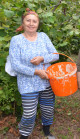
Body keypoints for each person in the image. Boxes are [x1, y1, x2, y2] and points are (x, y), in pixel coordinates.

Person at [9, 8, 59, 139]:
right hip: (27, 84)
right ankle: (24, 135)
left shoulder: (43, 37)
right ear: (23, 23)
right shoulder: (16, 40)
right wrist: (36, 72)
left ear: (38, 24)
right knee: (29, 113)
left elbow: (56, 55)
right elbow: (15, 65)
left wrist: (43, 58)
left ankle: (47, 131)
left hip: (46, 81)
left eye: (34, 21)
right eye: (28, 21)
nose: (31, 24)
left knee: (48, 109)